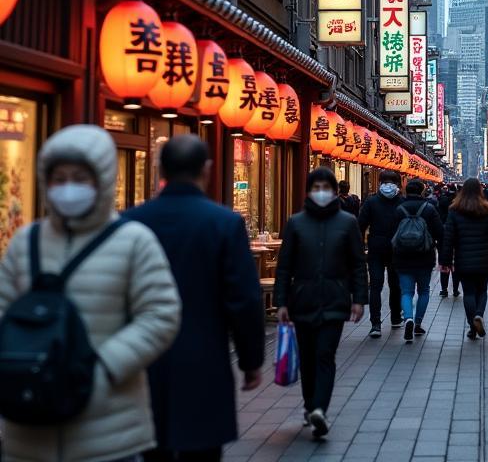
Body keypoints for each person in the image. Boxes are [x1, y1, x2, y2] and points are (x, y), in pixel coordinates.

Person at [0, 124, 181, 462]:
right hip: (27, 426)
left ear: (101, 181)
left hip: (108, 429)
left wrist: (104, 368)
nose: (68, 188)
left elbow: (161, 314)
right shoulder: (26, 241)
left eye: (80, 178)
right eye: (59, 178)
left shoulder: (133, 240)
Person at [126, 135, 264, 462]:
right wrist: (250, 361)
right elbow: (244, 299)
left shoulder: (131, 222)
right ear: (207, 169)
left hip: (142, 358)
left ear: (160, 167)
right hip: (205, 357)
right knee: (201, 451)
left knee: (151, 448)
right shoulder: (224, 223)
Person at [275, 168, 368, 440]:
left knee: (325, 355)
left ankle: (319, 409)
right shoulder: (296, 223)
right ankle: (310, 405)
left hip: (335, 299)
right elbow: (284, 267)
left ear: (335, 192)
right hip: (302, 300)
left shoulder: (347, 223)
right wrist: (281, 301)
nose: (321, 192)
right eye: (316, 187)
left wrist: (358, 299)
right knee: (307, 357)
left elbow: (357, 265)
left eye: (326, 187)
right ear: (308, 191)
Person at [440, 178, 488, 340]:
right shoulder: (487, 209)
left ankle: (472, 326)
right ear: (480, 191)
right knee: (482, 291)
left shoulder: (454, 210)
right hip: (484, 258)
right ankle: (479, 315)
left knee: (468, 293)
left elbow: (448, 238)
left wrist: (445, 261)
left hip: (463, 259)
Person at [391, 179, 444, 342]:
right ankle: (418, 323)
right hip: (424, 256)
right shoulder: (429, 209)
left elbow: (392, 233)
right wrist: (443, 256)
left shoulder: (399, 209)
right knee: (423, 290)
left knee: (406, 291)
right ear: (422, 191)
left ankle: (408, 318)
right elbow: (440, 232)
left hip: (403, 256)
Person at [358, 171, 405, 338]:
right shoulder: (402, 202)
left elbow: (360, 225)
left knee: (376, 287)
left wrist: (359, 245)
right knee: (395, 285)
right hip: (396, 249)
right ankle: (395, 317)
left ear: (379, 182)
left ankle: (375, 324)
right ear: (398, 184)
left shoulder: (371, 201)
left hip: (376, 248)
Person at [436, 184, 460, 299]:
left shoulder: (441, 201)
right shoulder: (458, 204)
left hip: (443, 236)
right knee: (456, 264)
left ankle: (444, 289)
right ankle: (455, 289)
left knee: (444, 262)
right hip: (457, 237)